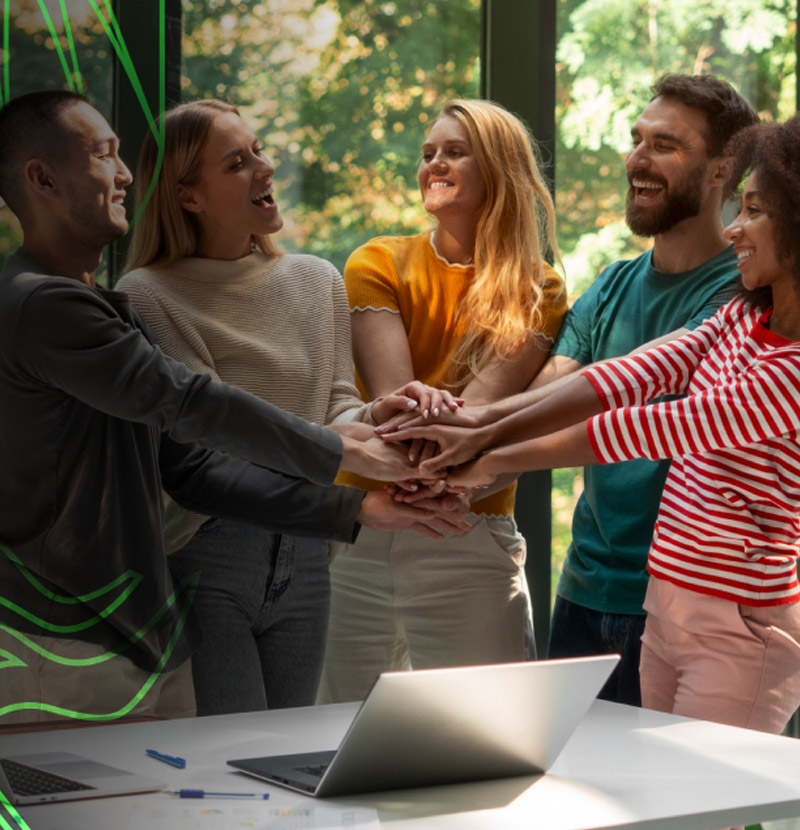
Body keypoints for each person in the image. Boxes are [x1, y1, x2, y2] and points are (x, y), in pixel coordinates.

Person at [0, 90, 465, 725]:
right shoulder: (41, 304)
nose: (128, 175)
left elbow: (189, 469)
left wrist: (359, 505)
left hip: (131, 630)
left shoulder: (105, 306)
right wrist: (340, 452)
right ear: (42, 178)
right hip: (59, 634)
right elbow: (188, 403)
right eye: (104, 155)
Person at [408, 113, 800, 744]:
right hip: (668, 604)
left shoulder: (792, 372)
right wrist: (483, 422)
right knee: (642, 802)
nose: (735, 228)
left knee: (696, 812)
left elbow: (654, 427)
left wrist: (488, 459)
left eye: (753, 211)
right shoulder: (739, 318)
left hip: (739, 631)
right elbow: (629, 375)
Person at [316, 98, 569, 704]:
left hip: (469, 531)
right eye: (429, 153)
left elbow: (474, 425)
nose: (434, 163)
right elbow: (398, 414)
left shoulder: (539, 285)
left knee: (485, 737)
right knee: (329, 736)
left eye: (455, 152)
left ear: (499, 171)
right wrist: (426, 437)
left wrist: (440, 457)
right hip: (363, 537)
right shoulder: (376, 262)